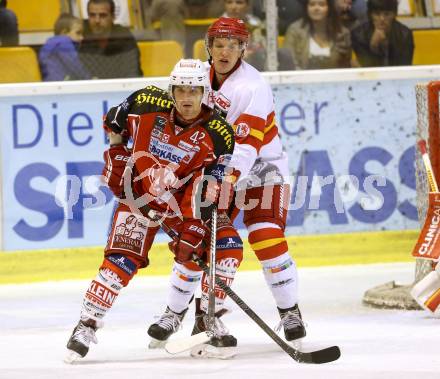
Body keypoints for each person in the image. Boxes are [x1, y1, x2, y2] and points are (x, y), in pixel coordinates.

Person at [65, 58, 242, 362]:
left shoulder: (220, 133)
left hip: (181, 204)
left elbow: (207, 185)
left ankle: (206, 318)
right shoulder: (144, 102)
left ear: (204, 93)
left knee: (226, 245)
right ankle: (86, 325)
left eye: (194, 91)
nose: (186, 98)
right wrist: (117, 154)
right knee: (120, 262)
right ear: (171, 90)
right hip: (138, 196)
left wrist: (194, 228)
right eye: (180, 90)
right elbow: (113, 124)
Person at [146, 17, 306, 348]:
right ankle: (176, 312)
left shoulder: (253, 86)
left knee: (266, 235)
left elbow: (248, 144)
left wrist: (228, 178)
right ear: (209, 48)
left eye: (233, 45)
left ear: (243, 49)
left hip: (262, 168)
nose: (225, 52)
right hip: (214, 167)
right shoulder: (196, 79)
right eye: (219, 45)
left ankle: (290, 310)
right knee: (199, 235)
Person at [222, 0, 295, 71]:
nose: (233, 7)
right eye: (229, 2)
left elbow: (265, 51)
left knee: (284, 54)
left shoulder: (258, 26)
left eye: (239, 2)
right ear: (224, 5)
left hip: (256, 68)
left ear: (248, 6)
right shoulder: (216, 29)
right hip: (229, 70)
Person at [79, 0, 142, 78]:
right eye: (92, 15)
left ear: (113, 17)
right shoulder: (80, 35)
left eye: (103, 15)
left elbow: (132, 72)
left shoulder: (123, 36)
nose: (97, 20)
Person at [283, 0, 352, 70]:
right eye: (312, 5)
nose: (316, 8)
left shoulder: (342, 33)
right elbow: (289, 65)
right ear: (306, 8)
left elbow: (345, 67)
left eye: (321, 5)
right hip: (300, 79)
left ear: (329, 8)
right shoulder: (294, 30)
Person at [351, 0, 414, 67]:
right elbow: (368, 69)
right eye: (377, 14)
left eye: (387, 14)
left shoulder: (405, 35)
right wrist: (373, 47)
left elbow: (404, 68)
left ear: (394, 15)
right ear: (370, 15)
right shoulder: (359, 35)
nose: (382, 19)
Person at [39, 13, 91, 81]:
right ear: (64, 33)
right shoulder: (63, 42)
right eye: (78, 33)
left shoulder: (53, 44)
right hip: (59, 86)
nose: (82, 38)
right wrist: (89, 78)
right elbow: (75, 66)